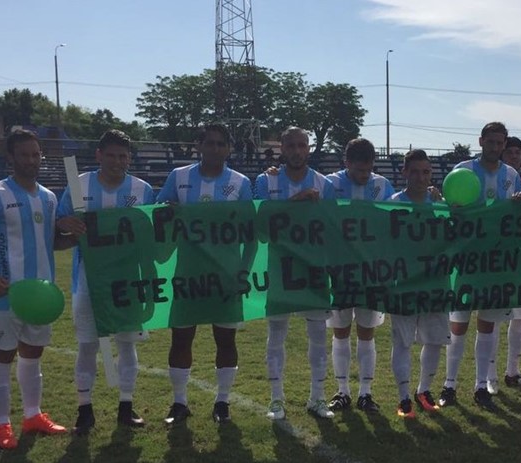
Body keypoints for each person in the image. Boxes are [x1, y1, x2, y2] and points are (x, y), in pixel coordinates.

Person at [0, 129, 73, 449]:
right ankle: (2, 426)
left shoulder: (49, 198)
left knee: (33, 356)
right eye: (24, 154)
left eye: (36, 154)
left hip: (41, 298)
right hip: (6, 295)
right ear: (10, 157)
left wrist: (77, 237)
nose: (31, 160)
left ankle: (32, 415)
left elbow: (51, 243)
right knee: (2, 357)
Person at [56, 129, 155, 434]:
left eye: (123, 156)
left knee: (126, 345)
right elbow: (58, 229)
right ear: (99, 155)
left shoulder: (142, 189)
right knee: (88, 345)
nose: (117, 161)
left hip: (128, 279)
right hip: (88, 279)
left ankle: (126, 406)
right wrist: (64, 224)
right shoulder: (78, 183)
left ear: (129, 158)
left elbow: (152, 234)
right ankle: (84, 410)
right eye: (110, 155)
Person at [156, 124, 253, 424]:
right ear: (199, 145)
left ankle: (222, 402)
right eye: (209, 143)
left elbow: (250, 234)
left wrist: (243, 272)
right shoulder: (179, 177)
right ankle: (179, 403)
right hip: (188, 273)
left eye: (221, 143)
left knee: (226, 340)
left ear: (229, 149)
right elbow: (158, 213)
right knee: (181, 339)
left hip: (225, 275)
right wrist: (166, 209)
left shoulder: (240, 182)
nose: (214, 148)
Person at [439, 121, 521, 411]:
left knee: (487, 326)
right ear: (480, 141)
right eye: (490, 142)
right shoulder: (463, 170)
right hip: (465, 259)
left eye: (500, 143)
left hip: (496, 262)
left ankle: (480, 386)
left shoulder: (511, 175)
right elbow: (449, 209)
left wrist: (519, 202)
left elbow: (519, 216)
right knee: (459, 324)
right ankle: (449, 385)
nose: (495, 147)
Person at [254, 126, 337, 420]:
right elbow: (261, 224)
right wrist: (296, 202)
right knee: (276, 334)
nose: (297, 151)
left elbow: (332, 228)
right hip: (279, 268)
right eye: (291, 146)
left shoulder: (324, 184)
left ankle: (318, 397)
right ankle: (276, 399)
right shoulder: (266, 181)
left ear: (310, 148)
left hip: (314, 269)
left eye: (303, 145)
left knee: (318, 336)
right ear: (282, 149)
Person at [325, 138, 394, 414]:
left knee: (367, 334)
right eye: (359, 171)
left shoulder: (382, 185)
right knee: (340, 333)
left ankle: (366, 393)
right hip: (339, 270)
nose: (365, 176)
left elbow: (394, 222)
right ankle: (342, 391)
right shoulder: (330, 184)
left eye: (369, 170)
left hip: (371, 270)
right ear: (346, 164)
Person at [387, 149, 449, 418]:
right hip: (404, 283)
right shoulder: (392, 204)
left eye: (426, 172)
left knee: (435, 340)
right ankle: (403, 398)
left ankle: (424, 390)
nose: (421, 177)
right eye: (415, 171)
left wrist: (443, 207)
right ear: (404, 173)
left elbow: (453, 238)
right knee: (402, 342)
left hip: (436, 282)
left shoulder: (440, 204)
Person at [485, 136, 521, 394]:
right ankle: (490, 376)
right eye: (509, 152)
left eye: (517, 153)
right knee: (495, 319)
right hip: (495, 260)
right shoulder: (493, 183)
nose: (513, 157)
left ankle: (513, 371)